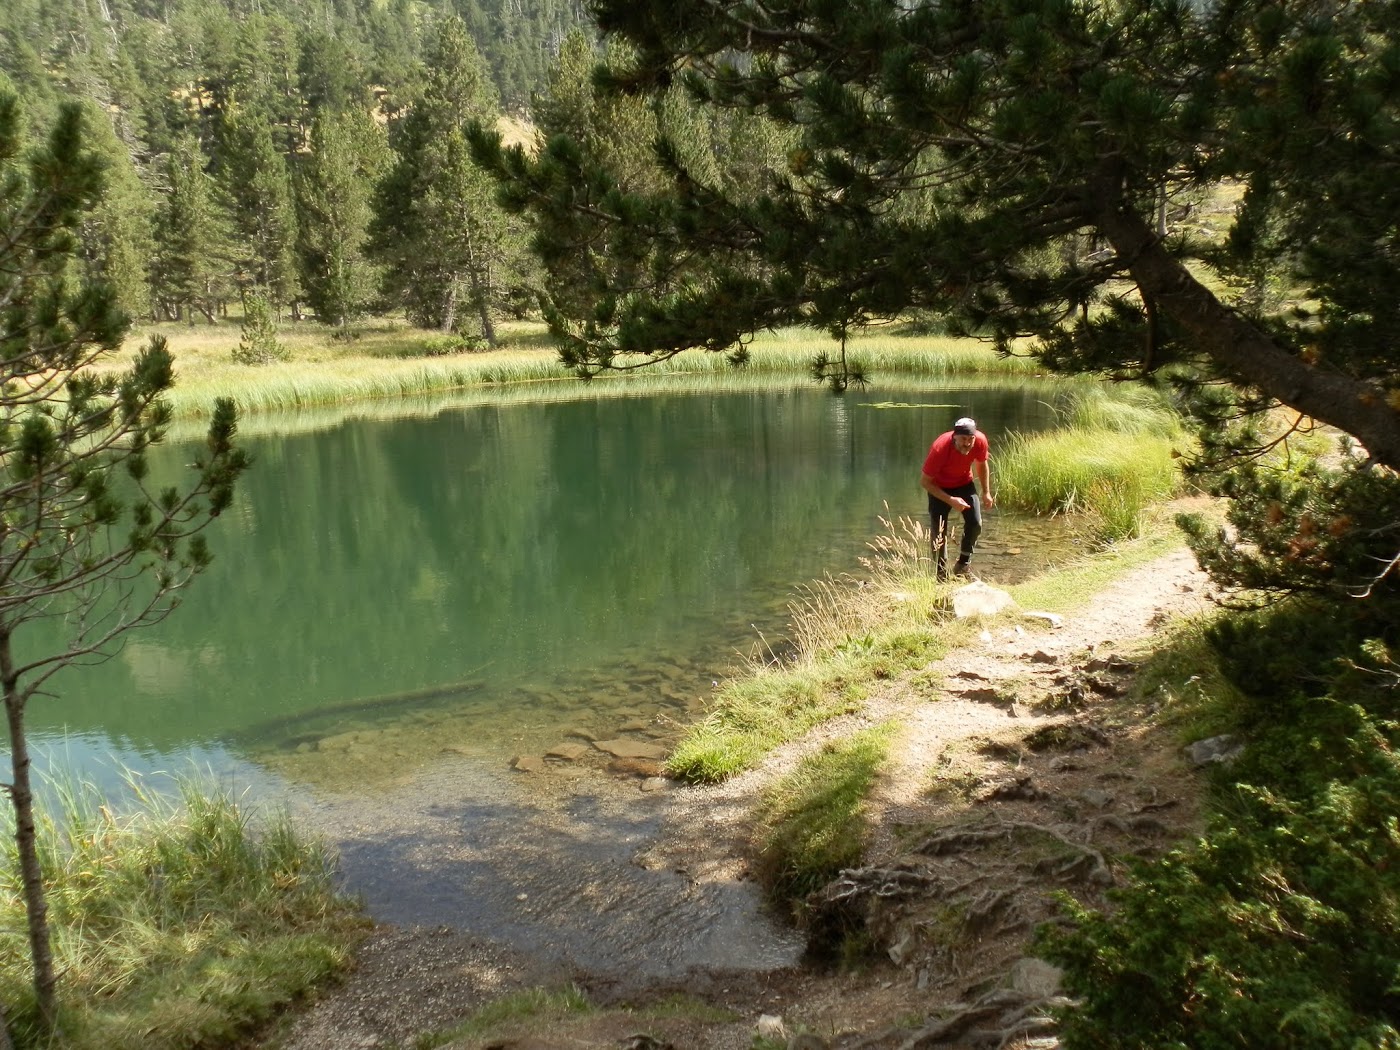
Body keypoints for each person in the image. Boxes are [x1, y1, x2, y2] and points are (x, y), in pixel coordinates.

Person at [920, 416, 995, 580]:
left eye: (970, 439)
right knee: (939, 532)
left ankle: (962, 565)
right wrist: (950, 500)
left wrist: (986, 492)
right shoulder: (940, 448)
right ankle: (941, 573)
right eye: (963, 439)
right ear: (955, 436)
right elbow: (925, 482)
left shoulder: (980, 441)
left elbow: (982, 464)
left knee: (975, 523)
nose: (967, 443)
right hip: (938, 487)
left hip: (964, 483)